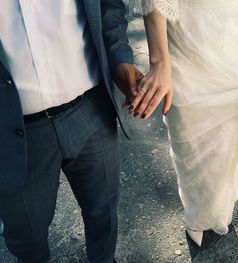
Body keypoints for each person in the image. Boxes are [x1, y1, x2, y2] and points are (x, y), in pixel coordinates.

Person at [128, 0, 238, 246]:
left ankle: (219, 209)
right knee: (191, 147)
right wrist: (159, 63)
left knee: (229, 145)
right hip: (185, 53)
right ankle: (197, 213)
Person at [0, 1, 147, 262]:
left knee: (104, 214)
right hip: (11, 132)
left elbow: (108, 6)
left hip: (91, 109)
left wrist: (119, 60)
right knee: (26, 237)